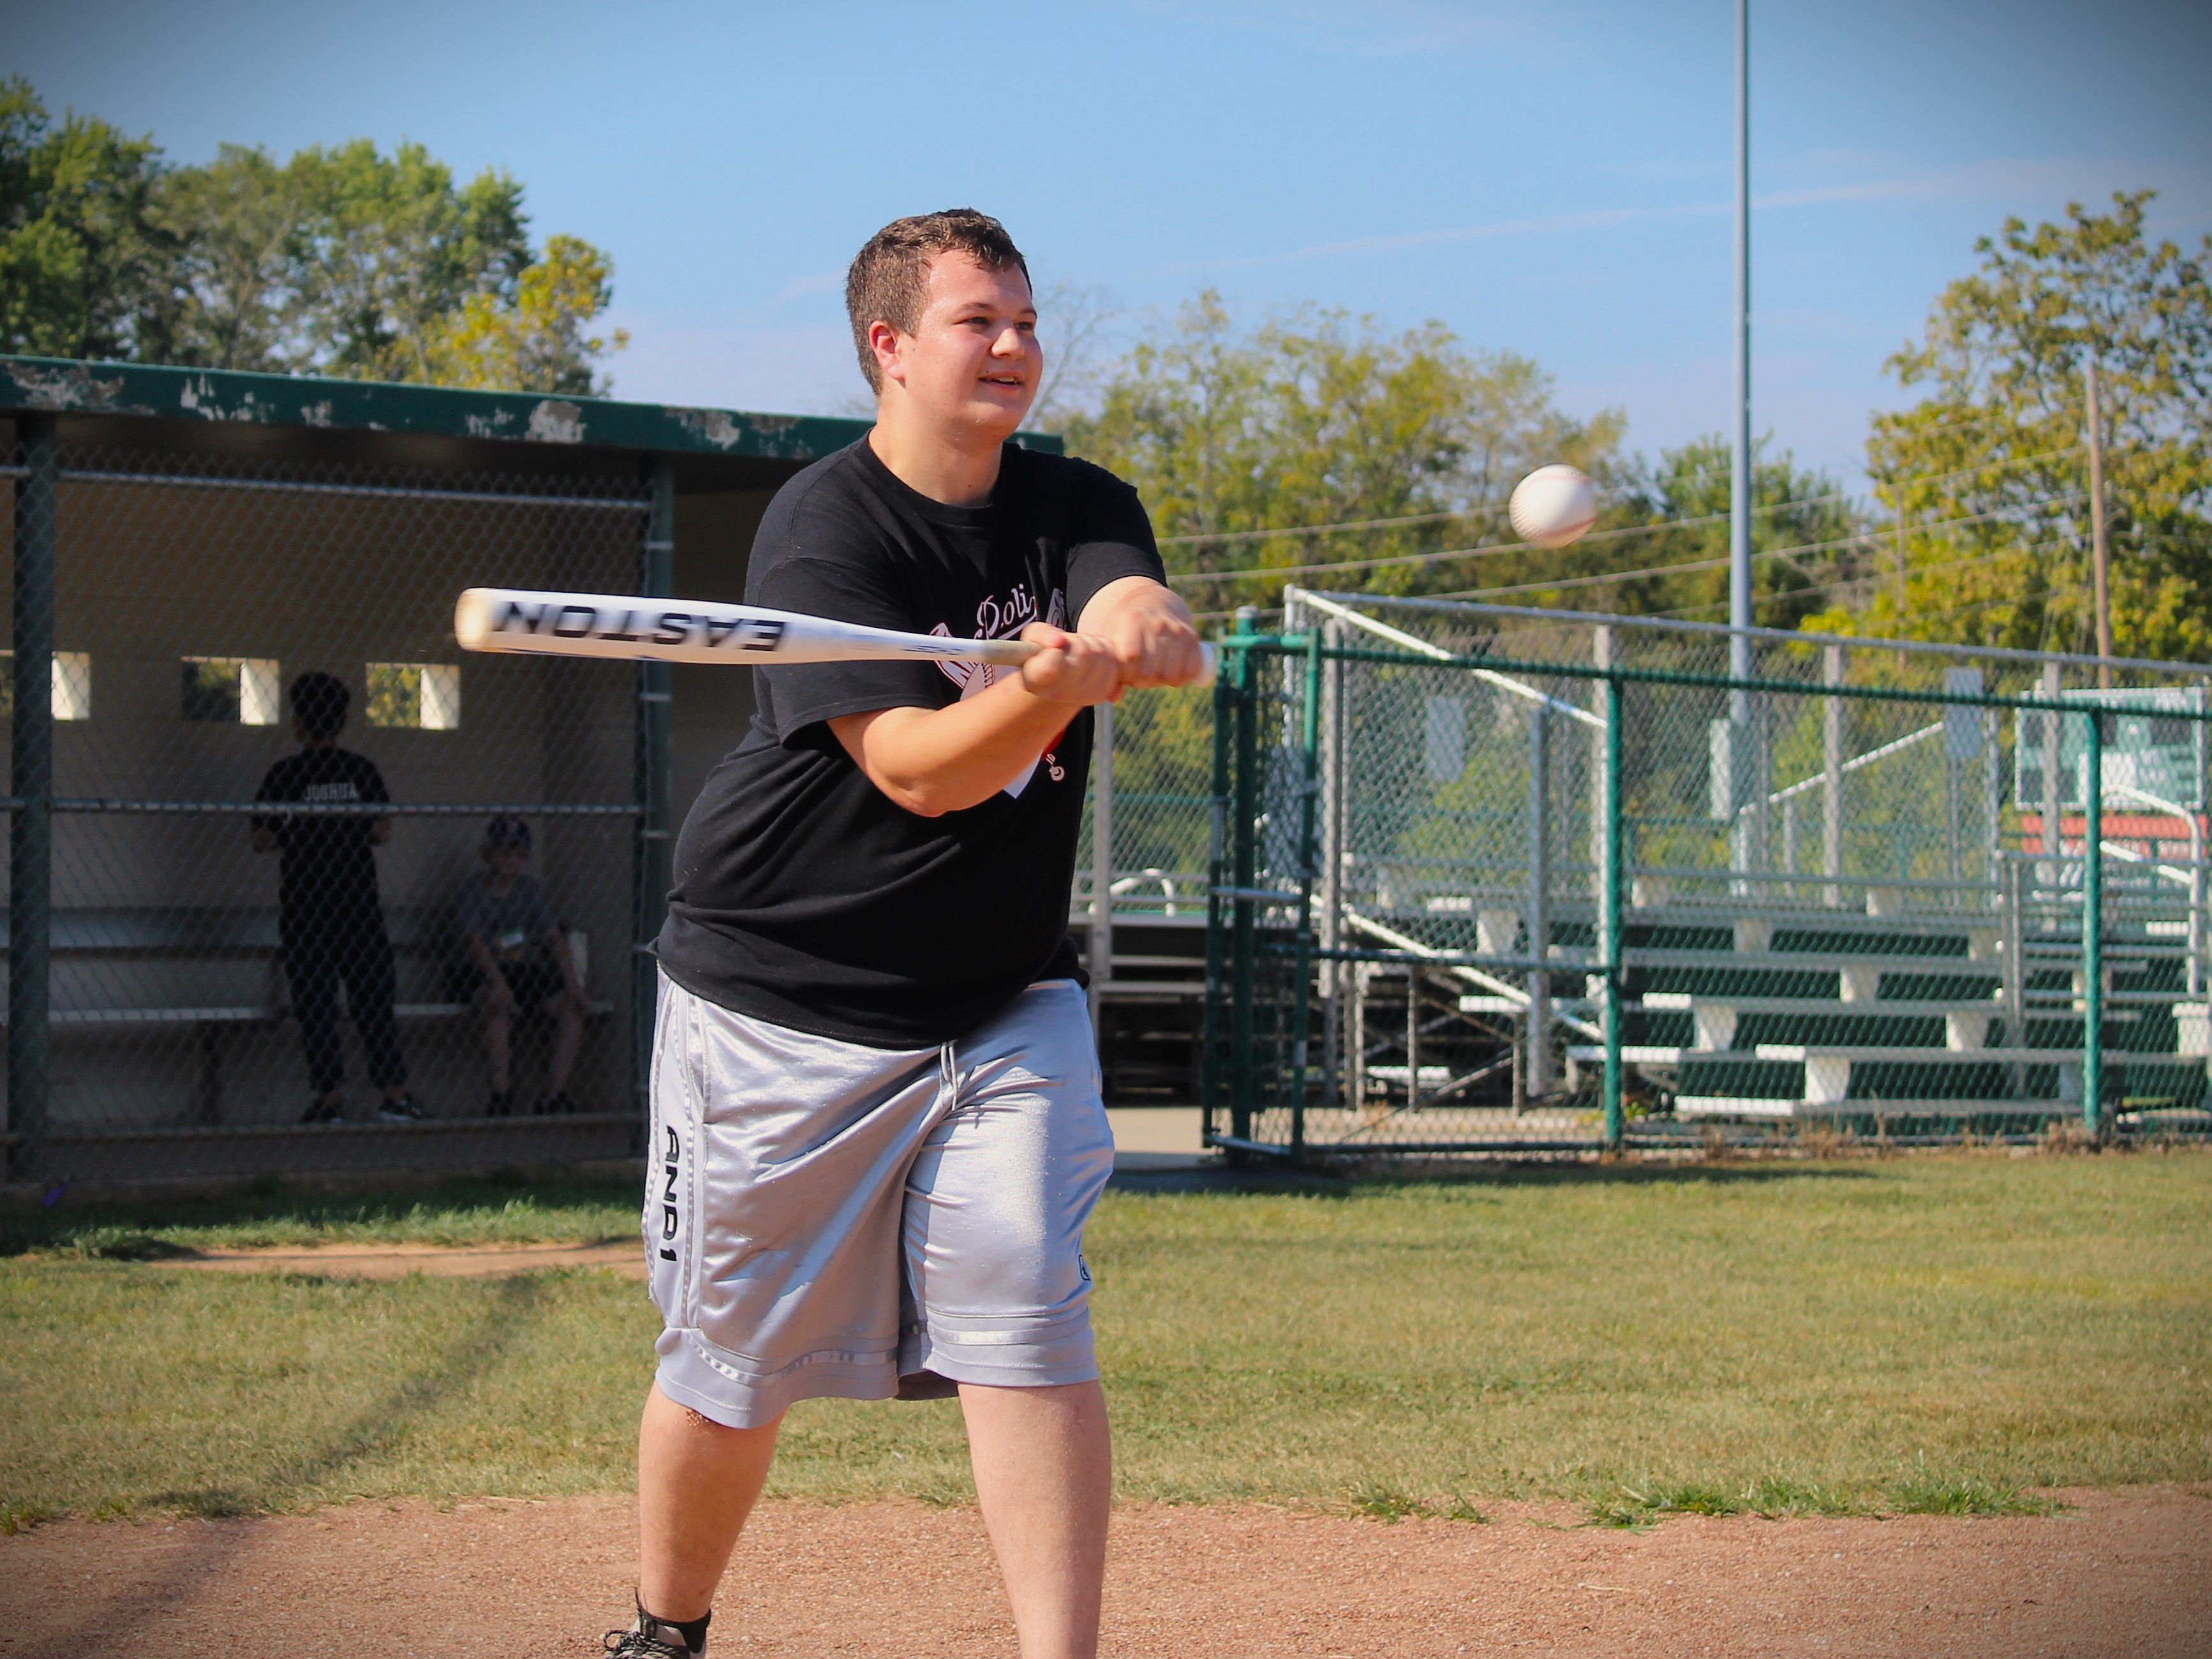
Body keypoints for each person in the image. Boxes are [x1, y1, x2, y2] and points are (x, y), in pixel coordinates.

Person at [608, 209, 1203, 1659]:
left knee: (1025, 1301)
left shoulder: (1073, 498)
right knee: (732, 1361)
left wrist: (1142, 622)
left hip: (1001, 996)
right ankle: (667, 1627)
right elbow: (920, 770)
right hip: (783, 996)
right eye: (975, 321)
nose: (1012, 346)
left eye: (1024, 321)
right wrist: (1045, 693)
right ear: (887, 345)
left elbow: (1121, 579)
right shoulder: (826, 525)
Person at [250, 671, 420, 1123]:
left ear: (299, 723)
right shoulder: (356, 770)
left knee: (325, 1004)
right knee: (364, 1002)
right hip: (348, 907)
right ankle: (390, 1096)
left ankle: (335, 1100)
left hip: (314, 908)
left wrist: (300, 826)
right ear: (341, 722)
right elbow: (381, 831)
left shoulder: (288, 774)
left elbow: (262, 838)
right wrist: (336, 825)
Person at [454, 815, 589, 1116]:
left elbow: (553, 939)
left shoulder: (528, 890)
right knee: (496, 1003)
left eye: (519, 853)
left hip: (519, 970)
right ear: (487, 854)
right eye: (504, 851)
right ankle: (501, 1095)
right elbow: (474, 943)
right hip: (479, 972)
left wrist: (573, 985)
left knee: (572, 1008)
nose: (511, 859)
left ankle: (554, 1095)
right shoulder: (473, 891)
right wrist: (498, 983)